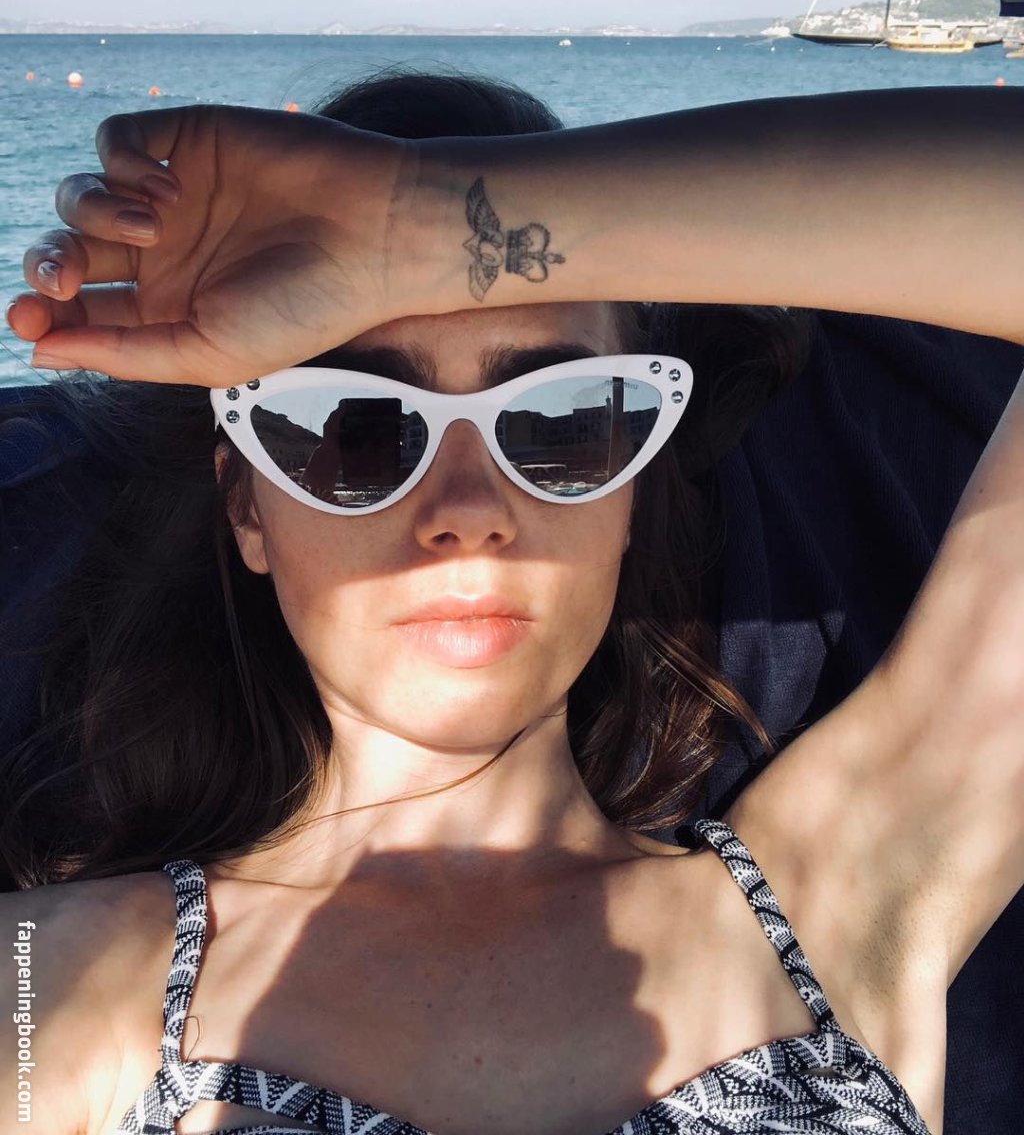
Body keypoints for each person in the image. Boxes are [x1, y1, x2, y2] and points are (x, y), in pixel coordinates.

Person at [1, 70, 1023, 1135]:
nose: (467, 512)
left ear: (631, 495)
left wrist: (422, 224)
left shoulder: (848, 896)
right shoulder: (47, 982)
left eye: (563, 420)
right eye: (356, 428)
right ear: (247, 509)